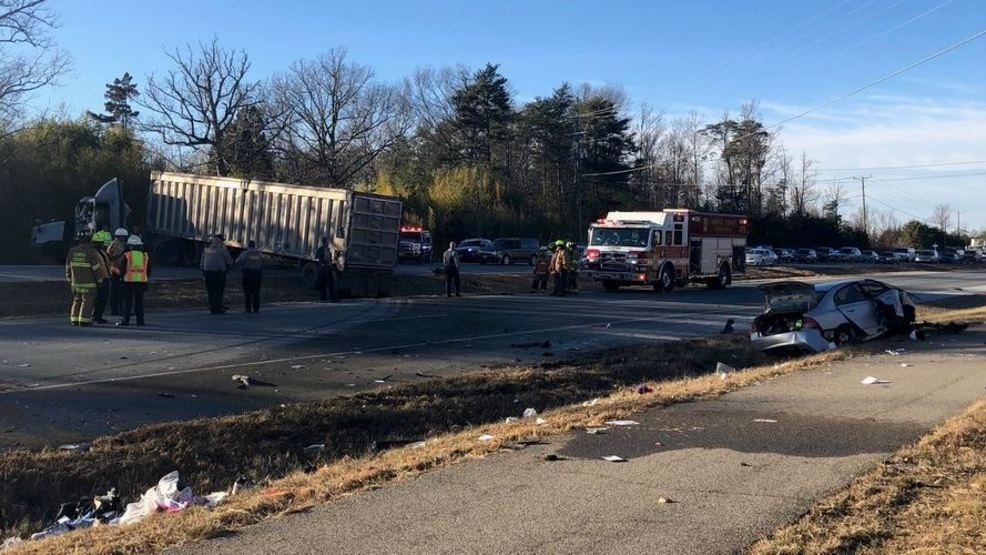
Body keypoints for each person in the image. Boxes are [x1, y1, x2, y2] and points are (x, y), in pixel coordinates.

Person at [64, 231, 108, 326]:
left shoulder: (72, 251)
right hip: (89, 284)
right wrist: (100, 281)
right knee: (87, 300)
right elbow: (96, 268)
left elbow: (68, 267)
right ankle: (84, 320)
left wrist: (69, 279)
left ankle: (74, 319)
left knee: (77, 299)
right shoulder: (92, 252)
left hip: (75, 283)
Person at [116, 235, 150, 326]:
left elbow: (122, 269)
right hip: (141, 282)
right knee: (139, 302)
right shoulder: (145, 256)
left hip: (128, 282)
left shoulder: (127, 255)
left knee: (127, 302)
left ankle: (125, 320)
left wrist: (121, 277)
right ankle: (140, 321)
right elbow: (148, 270)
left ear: (131, 246)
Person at [200, 235, 233, 314]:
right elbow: (230, 261)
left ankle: (212, 308)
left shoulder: (206, 250)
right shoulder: (222, 250)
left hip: (208, 274)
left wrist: (204, 273)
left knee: (210, 291)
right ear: (220, 241)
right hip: (219, 273)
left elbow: (201, 263)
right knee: (218, 291)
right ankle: (218, 307)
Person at [236, 240, 264, 313]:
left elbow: (238, 261)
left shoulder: (245, 253)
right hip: (257, 274)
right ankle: (256, 308)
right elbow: (262, 261)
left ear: (248, 246)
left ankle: (248, 308)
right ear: (254, 246)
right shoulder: (259, 254)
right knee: (256, 292)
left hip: (247, 274)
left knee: (247, 292)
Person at [106, 228, 129, 316]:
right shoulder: (117, 245)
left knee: (116, 291)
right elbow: (115, 258)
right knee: (117, 291)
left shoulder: (115, 243)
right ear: (121, 236)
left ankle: (116, 309)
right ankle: (116, 310)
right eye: (124, 237)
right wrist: (123, 252)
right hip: (116, 270)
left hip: (114, 269)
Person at [90, 231, 112, 324]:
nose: (100, 244)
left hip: (105, 277)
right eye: (98, 243)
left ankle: (98, 316)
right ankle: (95, 316)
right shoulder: (93, 253)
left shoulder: (102, 252)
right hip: (98, 278)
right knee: (98, 298)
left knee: (102, 299)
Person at [314, 237, 339, 302]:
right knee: (326, 284)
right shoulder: (323, 249)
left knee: (328, 284)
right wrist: (323, 262)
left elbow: (317, 257)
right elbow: (318, 257)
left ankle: (328, 298)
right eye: (327, 241)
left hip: (326, 268)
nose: (328, 243)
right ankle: (326, 298)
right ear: (325, 242)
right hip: (324, 268)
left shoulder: (326, 249)